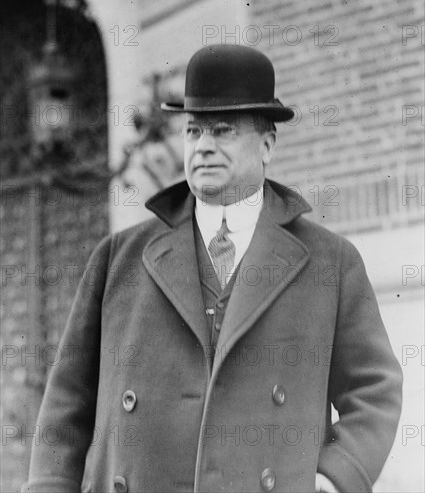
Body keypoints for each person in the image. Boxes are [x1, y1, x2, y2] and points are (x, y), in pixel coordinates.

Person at [23, 45, 402, 493]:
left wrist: (335, 478)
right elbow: (67, 402)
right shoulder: (118, 258)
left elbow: (375, 389)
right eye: (193, 131)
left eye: (222, 131)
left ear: (266, 146)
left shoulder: (329, 262)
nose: (203, 146)